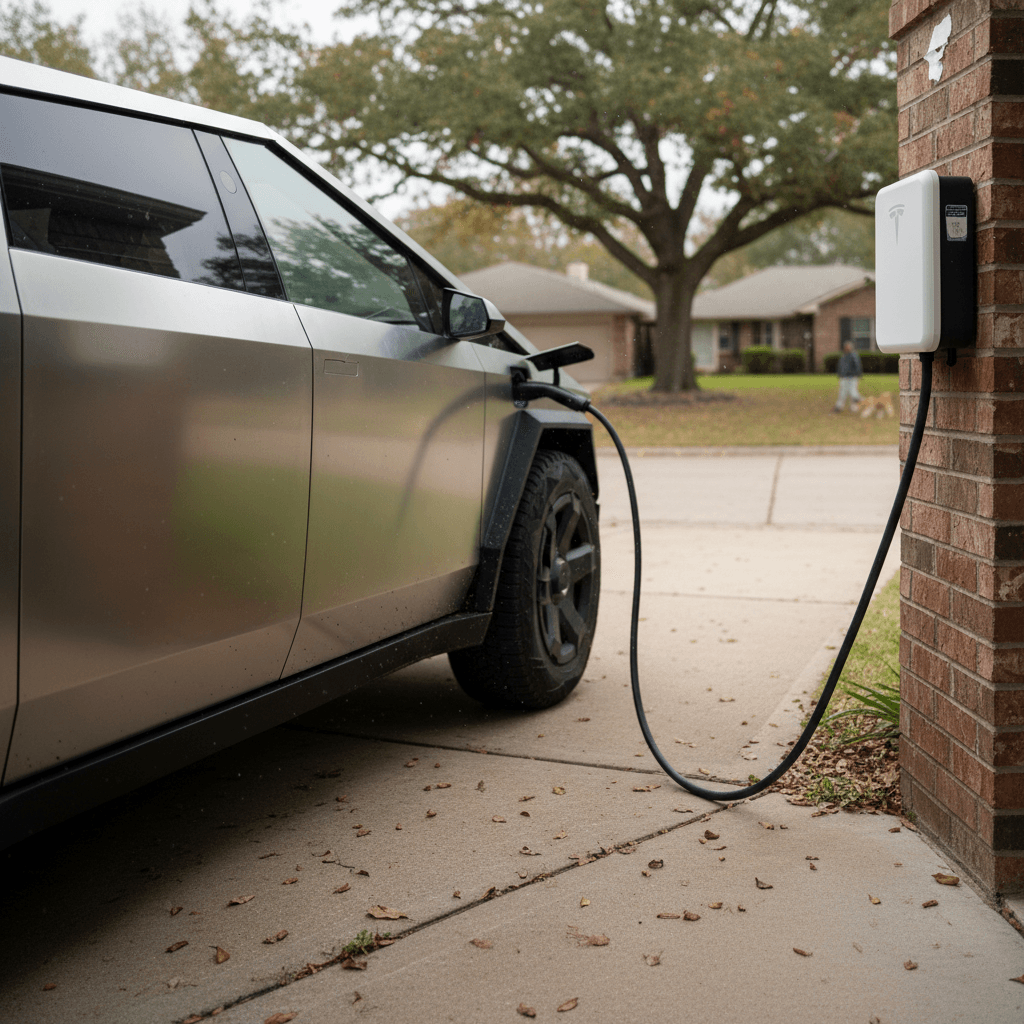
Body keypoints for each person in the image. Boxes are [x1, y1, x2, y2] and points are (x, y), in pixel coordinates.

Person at [833, 340, 863, 412]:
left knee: (853, 392)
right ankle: (839, 407)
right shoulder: (843, 356)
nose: (847, 348)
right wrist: (840, 374)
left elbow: (857, 366)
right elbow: (840, 366)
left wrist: (857, 374)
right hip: (844, 377)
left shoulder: (853, 355)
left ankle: (861, 403)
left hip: (852, 377)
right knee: (843, 393)